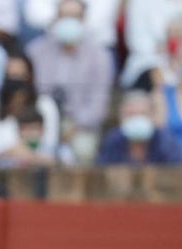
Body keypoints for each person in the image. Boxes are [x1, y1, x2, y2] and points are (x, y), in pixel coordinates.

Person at [25, 0, 113, 164]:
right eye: (64, 16)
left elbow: (98, 105)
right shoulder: (36, 51)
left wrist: (71, 129)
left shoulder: (100, 56)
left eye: (75, 16)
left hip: (79, 126)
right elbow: (29, 94)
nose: (69, 21)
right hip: (39, 121)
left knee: (82, 150)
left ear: (84, 20)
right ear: (56, 19)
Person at [97, 89, 182, 165]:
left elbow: (178, 168)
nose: (137, 120)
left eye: (142, 114)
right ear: (121, 117)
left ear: (152, 116)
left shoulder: (165, 140)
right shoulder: (113, 140)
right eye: (131, 115)